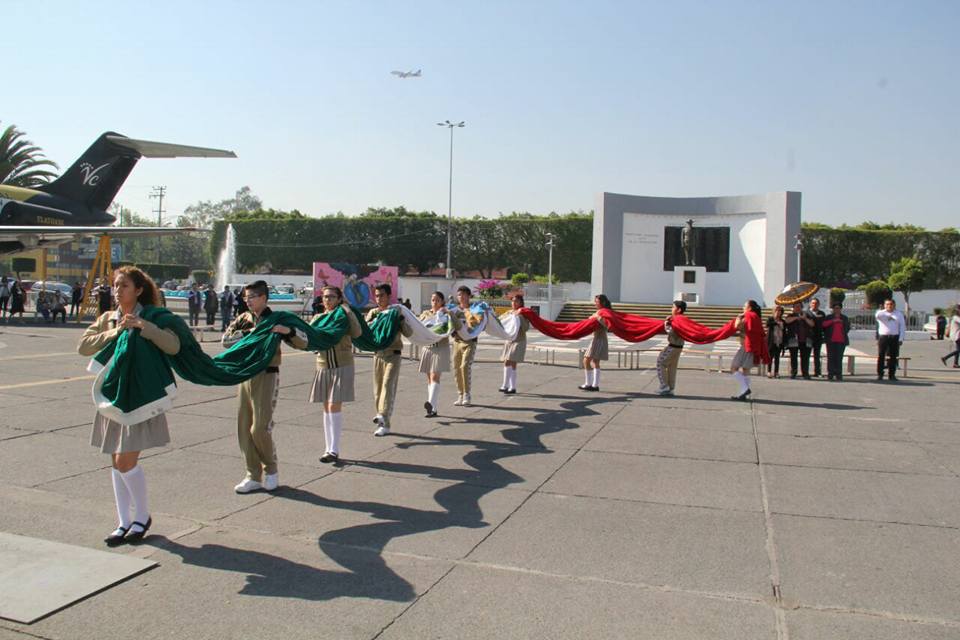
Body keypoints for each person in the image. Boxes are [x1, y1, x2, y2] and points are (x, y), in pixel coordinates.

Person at [78, 266, 179, 547]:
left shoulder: (152, 316)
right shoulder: (109, 319)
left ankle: (142, 516)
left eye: (124, 285)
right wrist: (114, 333)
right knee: (114, 460)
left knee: (125, 461)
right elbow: (84, 347)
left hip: (140, 396)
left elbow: (173, 345)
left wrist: (144, 328)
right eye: (115, 285)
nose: (117, 290)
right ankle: (124, 521)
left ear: (138, 290)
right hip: (113, 397)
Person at [222, 280, 307, 493]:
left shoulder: (278, 319)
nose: (248, 301)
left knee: (260, 427)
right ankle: (252, 474)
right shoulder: (244, 319)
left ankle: (271, 469)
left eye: (251, 297)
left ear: (263, 298)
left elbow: (303, 341)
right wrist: (251, 332)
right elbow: (226, 340)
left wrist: (286, 331)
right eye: (245, 298)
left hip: (267, 375)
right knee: (243, 427)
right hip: (245, 375)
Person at [309, 285, 361, 463]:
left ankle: (334, 449)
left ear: (339, 299)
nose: (327, 300)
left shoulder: (343, 317)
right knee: (326, 407)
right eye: (325, 297)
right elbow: (308, 336)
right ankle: (328, 447)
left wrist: (348, 310)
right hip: (323, 365)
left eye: (331, 297)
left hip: (342, 364)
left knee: (333, 406)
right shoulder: (318, 317)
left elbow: (357, 332)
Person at [366, 283, 413, 437]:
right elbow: (365, 331)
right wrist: (373, 321)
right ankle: (384, 423)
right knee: (378, 390)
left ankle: (382, 416)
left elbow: (408, 332)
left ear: (388, 296)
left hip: (393, 354)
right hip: (378, 354)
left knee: (387, 384)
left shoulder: (396, 311)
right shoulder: (373, 312)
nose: (378, 298)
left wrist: (400, 320)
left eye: (381, 295)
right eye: (376, 295)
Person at [419, 291, 451, 418]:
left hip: (441, 348)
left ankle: (431, 405)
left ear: (442, 301)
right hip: (428, 348)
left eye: (437, 300)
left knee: (434, 377)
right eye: (433, 300)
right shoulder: (426, 314)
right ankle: (433, 408)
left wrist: (448, 313)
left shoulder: (446, 313)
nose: (435, 302)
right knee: (429, 379)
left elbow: (452, 327)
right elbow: (419, 326)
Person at [730, 299, 769, 400]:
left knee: (734, 368)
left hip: (747, 345)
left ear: (749, 308)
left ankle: (745, 388)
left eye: (744, 306)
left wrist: (738, 317)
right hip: (754, 345)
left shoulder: (748, 315)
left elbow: (737, 326)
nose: (743, 308)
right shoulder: (756, 317)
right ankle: (743, 393)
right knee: (746, 370)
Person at [452, 286, 482, 406]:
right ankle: (460, 394)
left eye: (464, 294)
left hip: (470, 341)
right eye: (459, 295)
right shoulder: (454, 311)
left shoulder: (475, 309)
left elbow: (479, 323)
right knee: (457, 368)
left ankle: (467, 394)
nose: (462, 297)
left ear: (469, 296)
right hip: (457, 342)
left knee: (465, 366)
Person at [500, 294, 530, 395]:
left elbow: (526, 328)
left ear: (521, 303)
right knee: (506, 361)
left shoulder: (523, 314)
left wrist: (520, 317)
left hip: (519, 340)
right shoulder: (508, 312)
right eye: (512, 301)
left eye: (516, 301)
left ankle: (512, 387)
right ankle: (505, 385)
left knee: (512, 361)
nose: (514, 303)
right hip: (509, 340)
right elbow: (500, 321)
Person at [580, 294, 611, 392]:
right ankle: (592, 384)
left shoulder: (605, 312)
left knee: (589, 361)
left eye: (597, 302)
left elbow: (606, 324)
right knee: (591, 361)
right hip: (596, 338)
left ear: (603, 302)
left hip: (599, 339)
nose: (595, 303)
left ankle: (592, 384)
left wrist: (597, 317)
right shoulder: (600, 312)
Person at [656, 300, 687, 395]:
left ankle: (664, 385)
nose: (671, 309)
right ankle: (670, 388)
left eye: (673, 307)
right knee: (672, 367)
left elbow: (672, 332)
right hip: (678, 346)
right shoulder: (680, 319)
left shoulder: (678, 320)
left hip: (673, 346)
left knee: (660, 362)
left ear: (679, 309)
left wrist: (666, 323)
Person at [875, 298, 905, 381]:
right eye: (887, 304)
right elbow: (877, 316)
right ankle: (880, 374)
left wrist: (901, 338)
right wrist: (883, 311)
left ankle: (892, 375)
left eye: (891, 304)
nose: (889, 306)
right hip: (883, 337)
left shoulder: (898, 314)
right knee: (881, 356)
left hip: (894, 337)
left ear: (894, 305)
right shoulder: (881, 313)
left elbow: (902, 327)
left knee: (893, 356)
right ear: (884, 305)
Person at [783, 301, 815, 379]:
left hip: (806, 340)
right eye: (796, 307)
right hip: (794, 339)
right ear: (793, 308)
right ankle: (794, 372)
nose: (798, 308)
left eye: (799, 306)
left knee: (805, 358)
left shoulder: (807, 315)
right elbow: (787, 321)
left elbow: (812, 324)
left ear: (802, 307)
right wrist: (797, 317)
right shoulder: (790, 315)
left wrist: (805, 318)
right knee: (793, 357)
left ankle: (805, 373)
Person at [821, 303, 851, 380]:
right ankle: (830, 373)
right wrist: (833, 321)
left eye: (838, 308)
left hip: (841, 341)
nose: (837, 310)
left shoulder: (844, 318)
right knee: (831, 357)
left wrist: (841, 322)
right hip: (830, 340)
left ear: (841, 309)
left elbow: (847, 328)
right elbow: (824, 325)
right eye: (835, 308)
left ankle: (838, 373)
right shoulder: (829, 317)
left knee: (839, 358)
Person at [765, 305, 786, 378]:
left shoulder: (783, 321)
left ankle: (776, 372)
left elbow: (784, 330)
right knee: (770, 357)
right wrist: (776, 323)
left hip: (779, 340)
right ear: (773, 311)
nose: (778, 312)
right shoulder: (770, 319)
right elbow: (767, 324)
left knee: (777, 357)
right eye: (776, 310)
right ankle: (769, 371)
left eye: (780, 311)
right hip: (771, 340)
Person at [807, 298, 826, 377]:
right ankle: (806, 372)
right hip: (808, 337)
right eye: (813, 303)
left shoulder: (822, 313)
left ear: (818, 304)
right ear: (810, 304)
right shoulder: (806, 313)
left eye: (816, 303)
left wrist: (824, 336)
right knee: (806, 355)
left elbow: (824, 325)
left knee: (817, 355)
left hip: (818, 337)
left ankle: (817, 372)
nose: (814, 305)